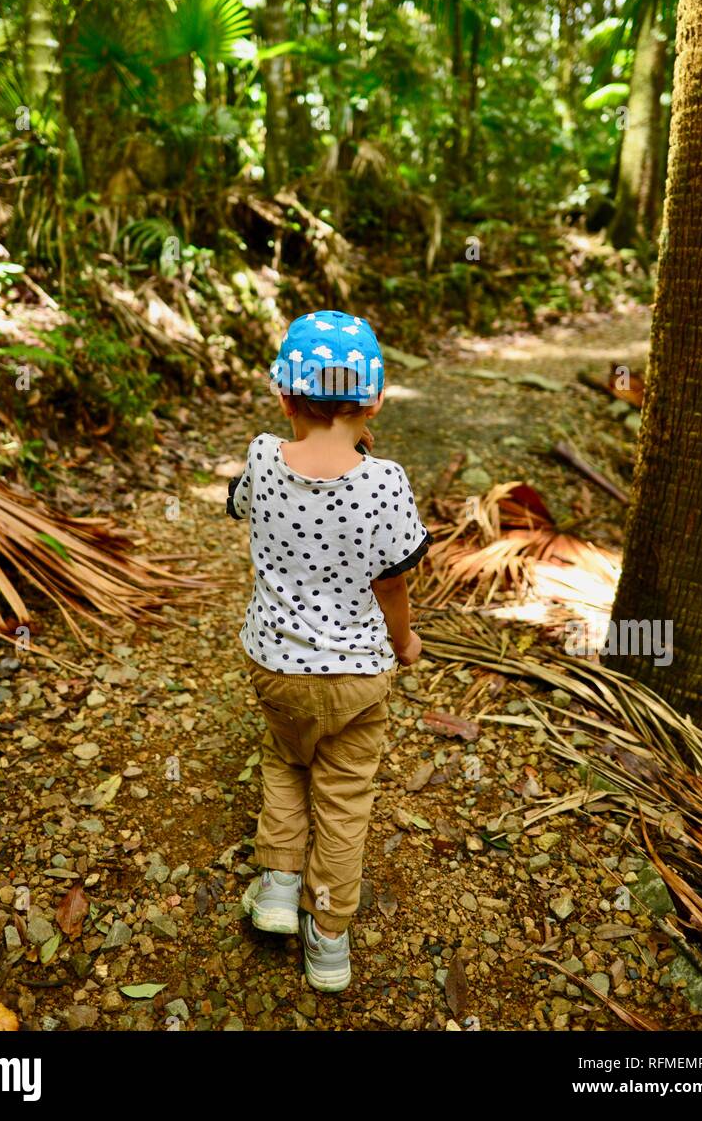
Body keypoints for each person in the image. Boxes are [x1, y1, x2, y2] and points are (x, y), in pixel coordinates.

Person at [226, 309, 430, 991]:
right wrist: (403, 642)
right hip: (357, 676)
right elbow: (391, 579)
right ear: (375, 399)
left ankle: (279, 887)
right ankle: (329, 941)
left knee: (286, 763)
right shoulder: (385, 481)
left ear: (283, 396)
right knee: (344, 799)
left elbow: (243, 506)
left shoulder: (260, 456)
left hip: (275, 665)